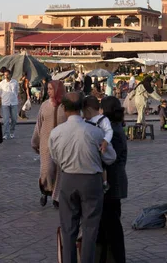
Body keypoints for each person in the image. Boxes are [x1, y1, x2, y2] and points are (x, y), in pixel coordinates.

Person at [48, 92, 116, 263]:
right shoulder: (94, 132)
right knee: (90, 229)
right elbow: (110, 157)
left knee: (68, 228)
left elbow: (55, 158)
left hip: (68, 179)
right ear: (81, 108)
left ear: (63, 108)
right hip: (91, 181)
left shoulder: (56, 133)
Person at [97, 96, 128, 263]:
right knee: (109, 223)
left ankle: (115, 258)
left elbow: (108, 158)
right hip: (115, 181)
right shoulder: (115, 128)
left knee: (112, 225)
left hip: (113, 182)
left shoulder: (113, 133)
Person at [31, 80, 67, 208]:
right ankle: (45, 190)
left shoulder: (65, 106)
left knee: (59, 171)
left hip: (62, 145)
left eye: (51, 89)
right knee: (47, 170)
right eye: (48, 89)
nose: (49, 91)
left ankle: (56, 197)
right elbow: (38, 124)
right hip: (46, 143)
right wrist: (35, 141)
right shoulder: (45, 105)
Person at [0, 68, 19, 140]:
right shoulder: (1, 83)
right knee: (6, 120)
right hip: (5, 103)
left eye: (7, 75)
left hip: (14, 103)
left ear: (10, 75)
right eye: (5, 75)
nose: (6, 76)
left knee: (14, 119)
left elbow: (16, 91)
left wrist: (14, 98)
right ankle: (6, 133)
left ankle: (12, 131)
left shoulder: (15, 82)